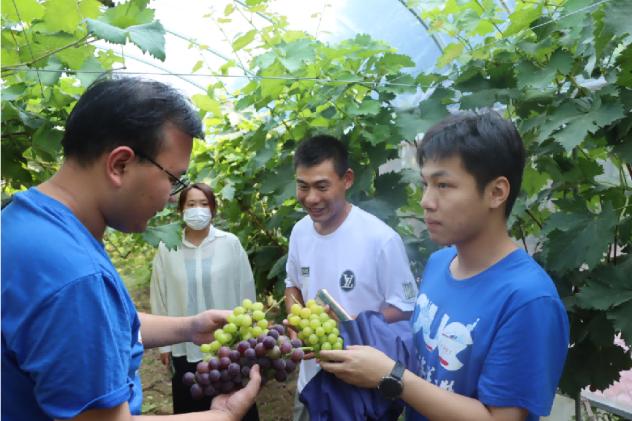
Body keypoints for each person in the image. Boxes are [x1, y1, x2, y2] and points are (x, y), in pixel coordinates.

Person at [1, 77, 260, 421]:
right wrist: (222, 417)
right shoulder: (76, 278)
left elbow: (97, 325)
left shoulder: (25, 222)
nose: (172, 198)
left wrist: (188, 327)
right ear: (119, 164)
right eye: (173, 178)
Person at [318, 111, 570, 421]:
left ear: (496, 192)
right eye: (426, 184)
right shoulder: (440, 264)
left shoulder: (528, 300)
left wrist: (391, 377)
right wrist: (353, 329)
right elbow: (424, 359)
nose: (426, 200)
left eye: (443, 185)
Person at [284, 134, 419, 420]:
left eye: (322, 186)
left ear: (346, 179)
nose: (311, 198)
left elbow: (406, 308)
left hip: (361, 387)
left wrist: (351, 327)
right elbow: (292, 286)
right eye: (302, 186)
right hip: (310, 383)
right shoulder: (299, 232)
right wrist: (296, 323)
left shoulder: (380, 240)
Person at [150, 182, 259, 419]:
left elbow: (246, 288)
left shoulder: (229, 244)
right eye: (191, 204)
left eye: (204, 204)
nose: (197, 209)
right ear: (181, 210)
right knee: (192, 403)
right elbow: (159, 293)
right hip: (184, 344)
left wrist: (251, 332)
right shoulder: (167, 248)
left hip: (229, 344)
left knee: (236, 405)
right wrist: (164, 344)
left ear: (212, 209)